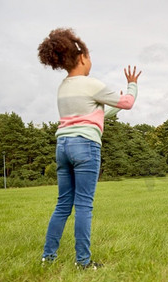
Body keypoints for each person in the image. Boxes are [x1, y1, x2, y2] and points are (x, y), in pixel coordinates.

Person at [38, 28, 141, 269]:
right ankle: (83, 262)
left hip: (63, 147)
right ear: (82, 57)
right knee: (84, 205)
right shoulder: (91, 84)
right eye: (90, 56)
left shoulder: (63, 87)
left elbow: (98, 113)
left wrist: (114, 106)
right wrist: (132, 86)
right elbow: (126, 102)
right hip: (85, 146)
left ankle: (48, 258)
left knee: (63, 204)